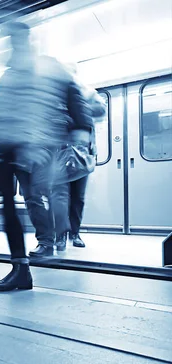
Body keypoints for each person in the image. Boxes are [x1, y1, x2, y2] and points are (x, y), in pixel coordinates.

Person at [0, 22, 93, 291]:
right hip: (14, 150)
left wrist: (81, 128)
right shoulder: (8, 75)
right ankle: (22, 265)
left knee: (46, 193)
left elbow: (74, 96)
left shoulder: (49, 66)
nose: (15, 44)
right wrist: (1, 150)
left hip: (44, 146)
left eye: (17, 39)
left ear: (28, 39)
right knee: (24, 200)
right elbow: (0, 114)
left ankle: (52, 240)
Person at [54, 78, 107, 251]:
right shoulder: (55, 97)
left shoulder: (88, 93)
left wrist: (80, 107)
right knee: (61, 197)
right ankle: (60, 235)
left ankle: (74, 233)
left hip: (82, 153)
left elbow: (100, 110)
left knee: (78, 197)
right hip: (60, 152)